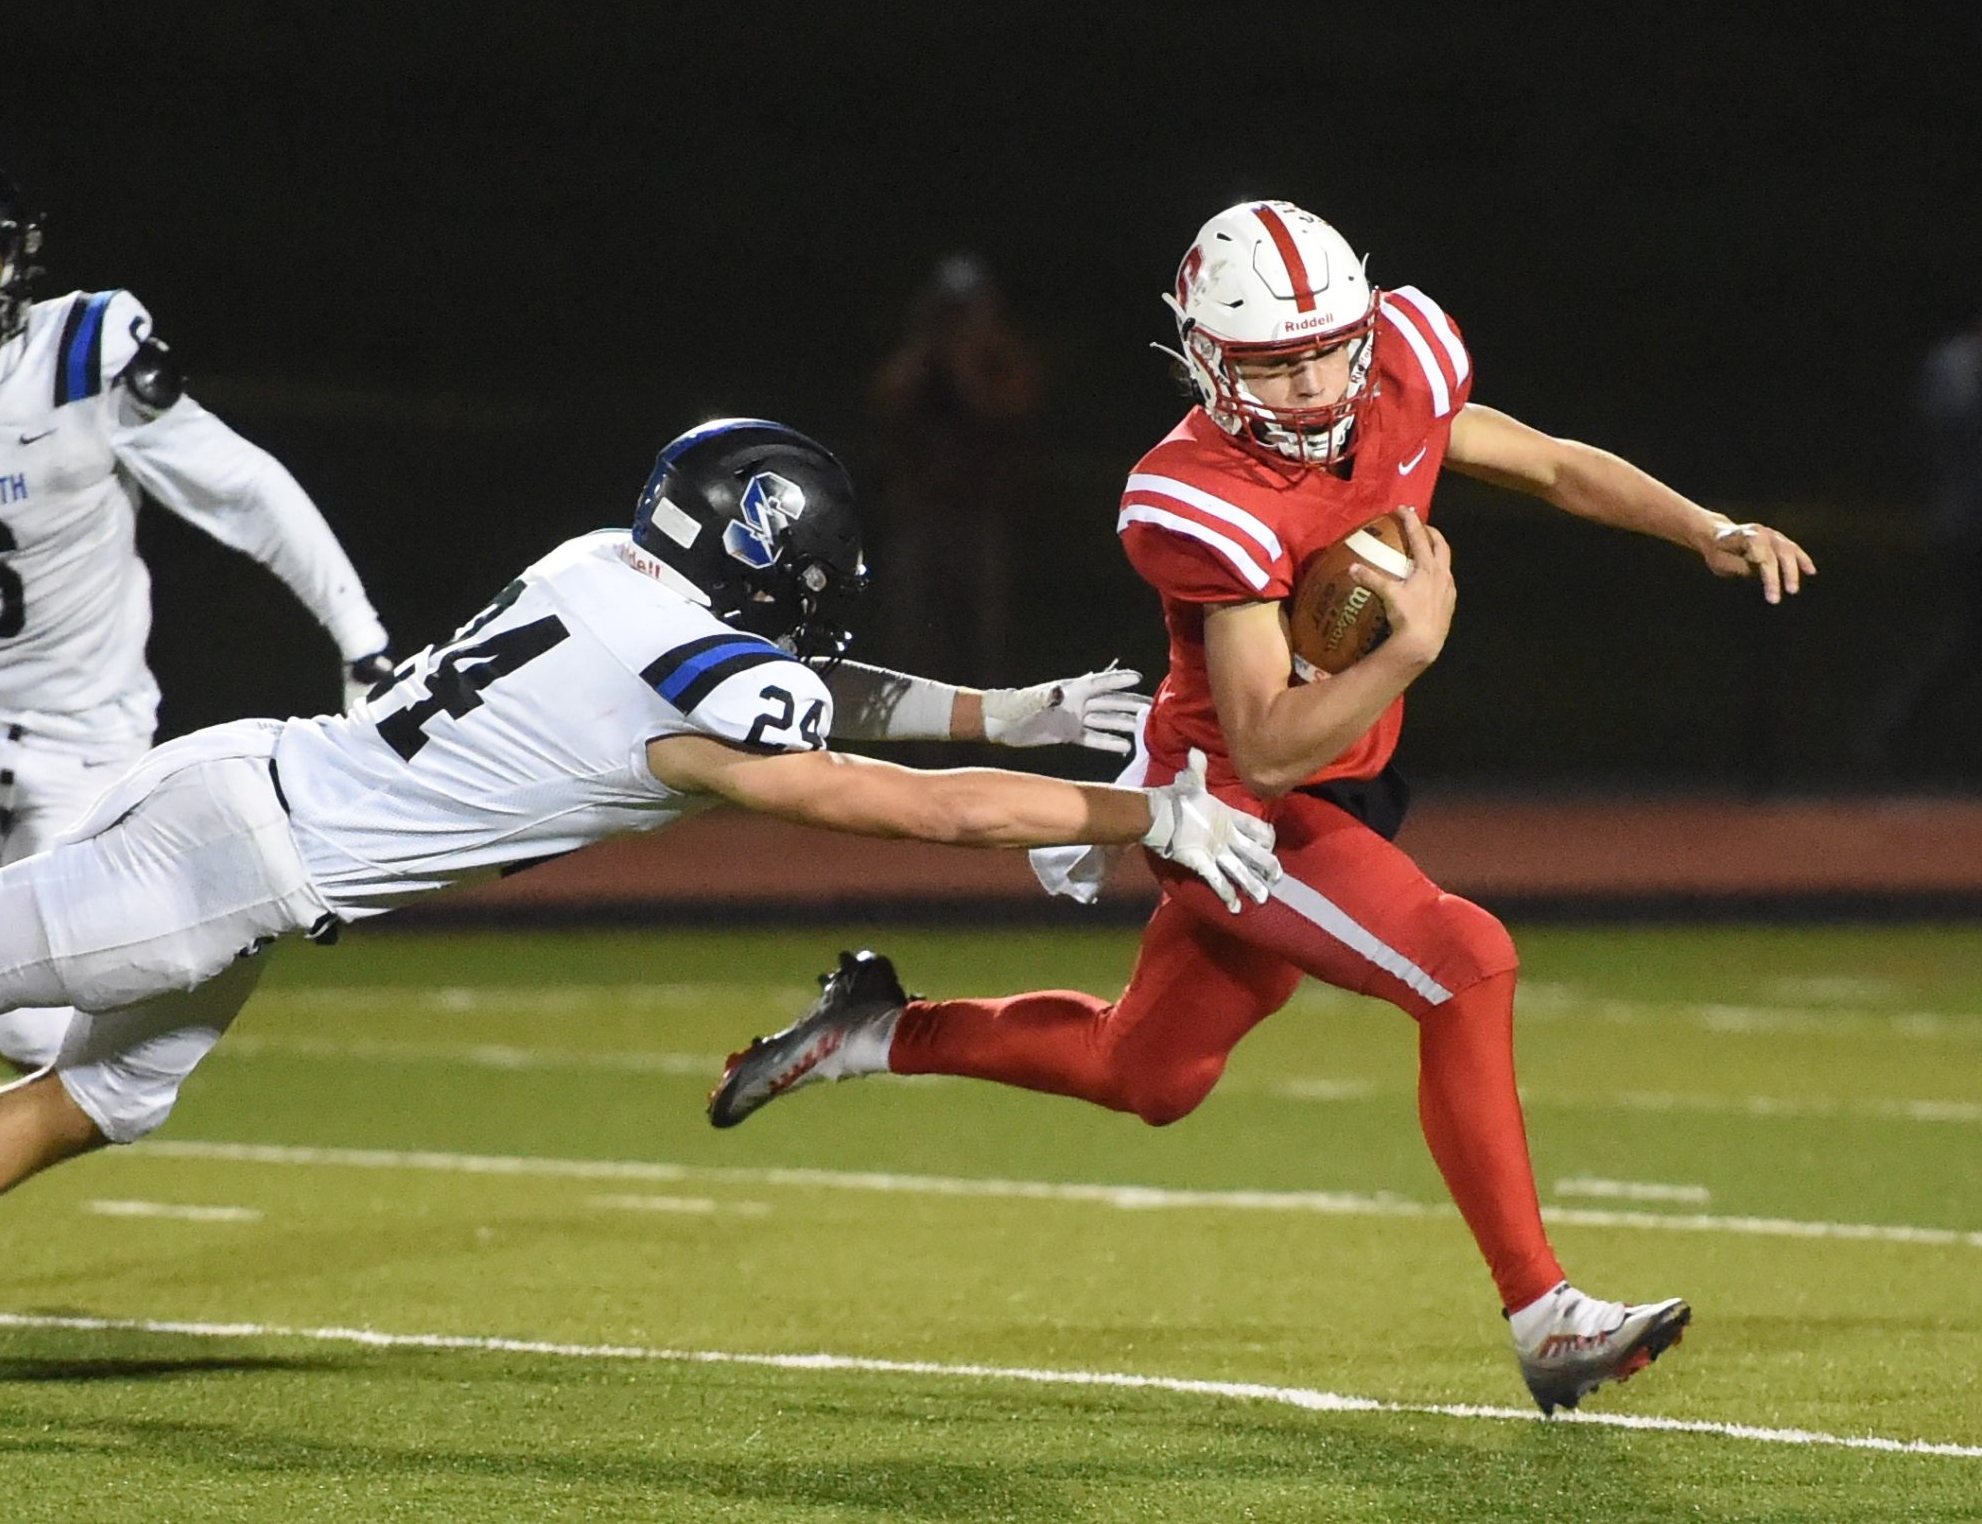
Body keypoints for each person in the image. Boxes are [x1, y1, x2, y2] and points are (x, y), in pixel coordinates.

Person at [0, 416, 1275, 1398]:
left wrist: (1022, 707)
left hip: (255, 803)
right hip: (233, 864)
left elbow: (849, 700)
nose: (799, 637)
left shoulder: (604, 568)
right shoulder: (689, 700)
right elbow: (898, 793)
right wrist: (1143, 806)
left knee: (111, 1092)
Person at [710, 202, 1817, 1416]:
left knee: (1149, 1074)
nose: (1306, 381)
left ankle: (872, 1029)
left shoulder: (1399, 357)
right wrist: (1409, 651)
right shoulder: (1197, 495)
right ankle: (1544, 1314)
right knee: (1464, 960)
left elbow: (1544, 460)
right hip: (1228, 809)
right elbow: (1268, 748)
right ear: (1203, 360)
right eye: (1269, 362)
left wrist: (1702, 529)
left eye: (1325, 350)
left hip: (1341, 785)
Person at [0, 143, 399, 1223]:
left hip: (91, 739)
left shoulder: (84, 351)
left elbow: (244, 491)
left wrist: (361, 638)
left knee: (36, 1023)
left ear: (13, 259)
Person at [867, 255, 1043, 684]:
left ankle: (983, 718)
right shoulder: (919, 359)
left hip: (981, 510)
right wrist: (929, 349)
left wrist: (967, 359)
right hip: (922, 509)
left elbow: (1008, 406)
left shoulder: (998, 356)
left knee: (980, 628)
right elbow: (886, 400)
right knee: (915, 624)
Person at [1855, 308, 1982, 771]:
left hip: (1961, 518)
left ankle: (1896, 730)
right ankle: (1895, 730)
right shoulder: (1954, 364)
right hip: (1968, 526)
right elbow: (1948, 427)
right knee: (1969, 637)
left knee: (1970, 639)